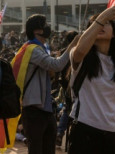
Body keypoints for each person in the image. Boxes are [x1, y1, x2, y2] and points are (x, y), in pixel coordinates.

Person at [68, 6, 115, 154]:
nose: (101, 26)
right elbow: (80, 50)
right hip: (84, 131)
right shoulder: (81, 58)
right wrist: (103, 17)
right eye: (96, 24)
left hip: (113, 134)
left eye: (107, 23)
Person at [16, 14, 74, 154]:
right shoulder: (33, 49)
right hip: (35, 111)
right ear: (37, 31)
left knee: (48, 148)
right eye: (45, 25)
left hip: (45, 109)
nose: (48, 27)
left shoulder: (38, 48)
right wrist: (73, 45)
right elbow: (57, 65)